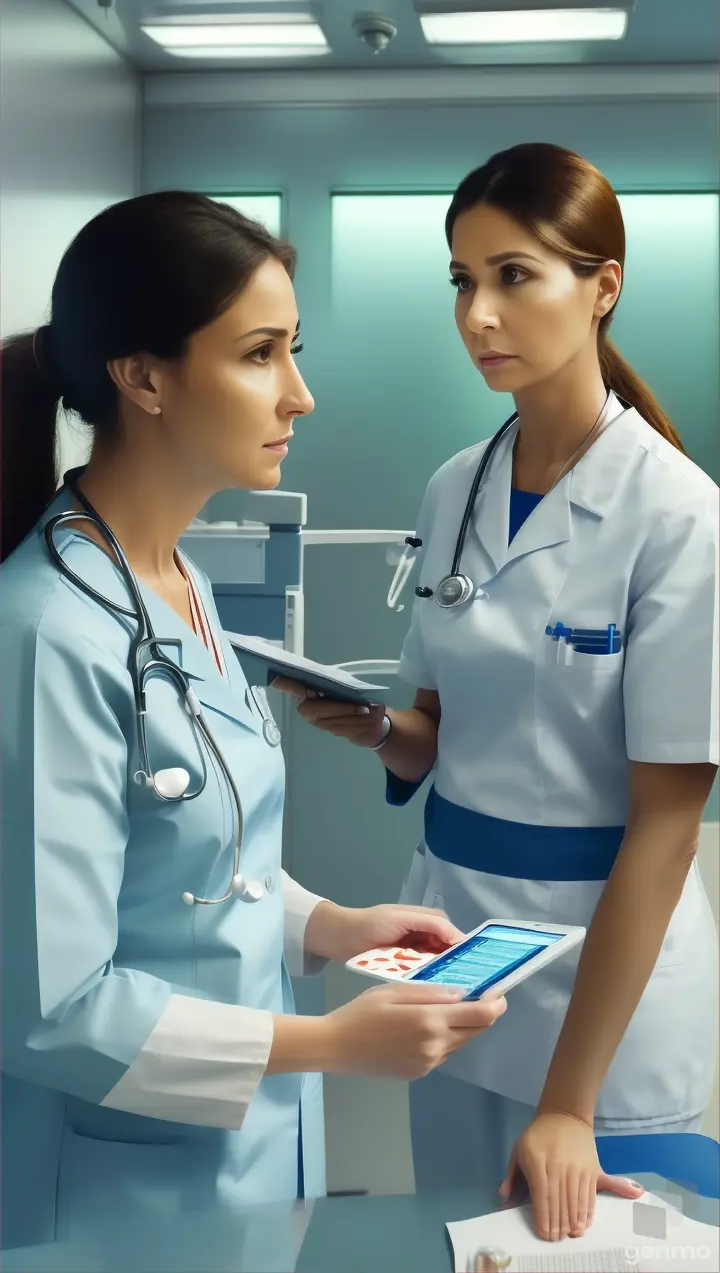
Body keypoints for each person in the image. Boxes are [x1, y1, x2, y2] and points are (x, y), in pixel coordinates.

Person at [0, 191, 507, 1250]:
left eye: (294, 349)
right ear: (142, 378)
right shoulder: (48, 634)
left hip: (250, 1164)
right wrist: (329, 1044)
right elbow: (52, 1008)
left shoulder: (174, 580)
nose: (301, 395)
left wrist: (330, 928)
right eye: (260, 354)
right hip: (114, 1190)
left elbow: (193, 861)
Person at [276, 144, 719, 1243]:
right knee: (462, 1249)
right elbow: (438, 738)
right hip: (461, 951)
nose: (480, 314)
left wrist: (571, 1103)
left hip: (605, 984)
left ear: (602, 285)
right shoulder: (455, 483)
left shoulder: (678, 517)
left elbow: (665, 831)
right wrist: (384, 729)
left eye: (514, 275)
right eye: (463, 282)